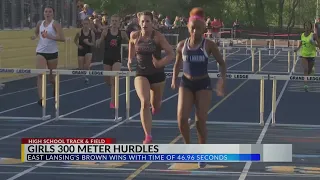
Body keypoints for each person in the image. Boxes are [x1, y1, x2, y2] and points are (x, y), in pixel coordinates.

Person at [171, 7, 226, 168]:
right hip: (186, 83)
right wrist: (174, 79)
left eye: (198, 29)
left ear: (204, 30)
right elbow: (177, 64)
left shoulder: (208, 45)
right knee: (181, 119)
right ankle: (189, 148)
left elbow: (222, 63)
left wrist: (222, 81)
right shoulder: (182, 45)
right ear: (188, 28)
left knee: (200, 120)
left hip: (203, 84)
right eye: (192, 28)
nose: (195, 31)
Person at [128, 11, 174, 144]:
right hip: (141, 73)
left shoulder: (158, 36)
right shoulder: (135, 35)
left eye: (147, 21)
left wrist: (160, 63)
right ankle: (148, 135)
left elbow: (171, 54)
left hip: (157, 75)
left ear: (152, 23)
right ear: (139, 22)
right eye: (142, 21)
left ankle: (156, 106)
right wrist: (130, 59)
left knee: (156, 104)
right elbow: (131, 44)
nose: (145, 24)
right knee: (144, 102)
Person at [31, 6, 65, 106]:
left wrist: (49, 36)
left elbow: (62, 38)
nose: (47, 13)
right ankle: (42, 99)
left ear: (53, 13)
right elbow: (37, 32)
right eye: (46, 11)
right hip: (40, 52)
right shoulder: (39, 23)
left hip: (52, 53)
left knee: (51, 78)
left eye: (50, 11)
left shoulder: (55, 24)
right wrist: (35, 36)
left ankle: (55, 89)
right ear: (43, 13)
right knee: (40, 74)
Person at [97, 14, 129, 108]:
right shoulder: (106, 32)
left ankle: (113, 101)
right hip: (107, 58)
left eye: (116, 21)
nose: (114, 23)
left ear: (119, 23)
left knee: (114, 80)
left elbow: (129, 41)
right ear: (111, 22)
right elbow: (100, 40)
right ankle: (112, 88)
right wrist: (98, 42)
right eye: (113, 21)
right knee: (107, 80)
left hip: (117, 58)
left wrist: (130, 46)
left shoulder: (122, 33)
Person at [294, 21, 320, 92]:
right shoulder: (302, 35)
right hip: (304, 55)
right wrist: (298, 48)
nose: (307, 27)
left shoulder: (314, 35)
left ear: (311, 27)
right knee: (305, 69)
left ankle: (312, 70)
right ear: (304, 27)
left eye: (308, 26)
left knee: (309, 71)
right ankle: (305, 85)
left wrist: (314, 44)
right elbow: (302, 42)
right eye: (305, 26)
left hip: (312, 56)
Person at [74, 17, 95, 84]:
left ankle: (87, 77)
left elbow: (93, 44)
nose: (85, 25)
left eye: (87, 24)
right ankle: (84, 76)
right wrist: (78, 45)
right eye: (84, 24)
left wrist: (88, 43)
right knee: (80, 67)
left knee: (87, 65)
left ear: (89, 24)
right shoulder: (79, 32)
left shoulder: (91, 33)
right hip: (81, 49)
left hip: (88, 50)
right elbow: (74, 40)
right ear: (82, 24)